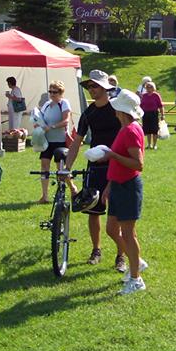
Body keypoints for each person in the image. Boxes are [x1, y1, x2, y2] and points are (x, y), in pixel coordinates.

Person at [65, 70, 125, 268]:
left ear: (105, 88)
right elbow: (76, 142)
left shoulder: (117, 110)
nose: (91, 90)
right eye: (89, 86)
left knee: (117, 214)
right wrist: (67, 167)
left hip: (117, 163)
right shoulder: (88, 113)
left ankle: (121, 255)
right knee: (93, 211)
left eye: (95, 86)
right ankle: (96, 249)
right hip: (95, 167)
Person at [101, 89, 148, 294]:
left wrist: (112, 155)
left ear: (121, 111)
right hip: (119, 185)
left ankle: (136, 278)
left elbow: (138, 164)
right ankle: (136, 261)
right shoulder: (126, 128)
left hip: (128, 186)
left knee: (128, 233)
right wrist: (109, 185)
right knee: (112, 228)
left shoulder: (130, 130)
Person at [37, 79, 72, 203]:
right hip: (47, 141)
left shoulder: (64, 103)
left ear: (60, 92)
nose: (52, 94)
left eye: (55, 92)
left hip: (60, 141)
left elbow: (66, 121)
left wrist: (51, 127)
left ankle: (71, 188)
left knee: (60, 169)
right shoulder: (46, 104)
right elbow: (40, 118)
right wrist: (38, 124)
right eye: (50, 91)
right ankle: (44, 195)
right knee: (44, 165)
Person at [140, 81, 164, 150]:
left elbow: (160, 106)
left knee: (154, 130)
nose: (149, 88)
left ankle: (155, 145)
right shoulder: (144, 95)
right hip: (145, 114)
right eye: (147, 87)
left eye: (150, 87)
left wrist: (162, 115)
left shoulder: (156, 95)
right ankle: (149, 144)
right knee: (147, 130)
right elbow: (141, 105)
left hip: (154, 114)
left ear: (153, 88)